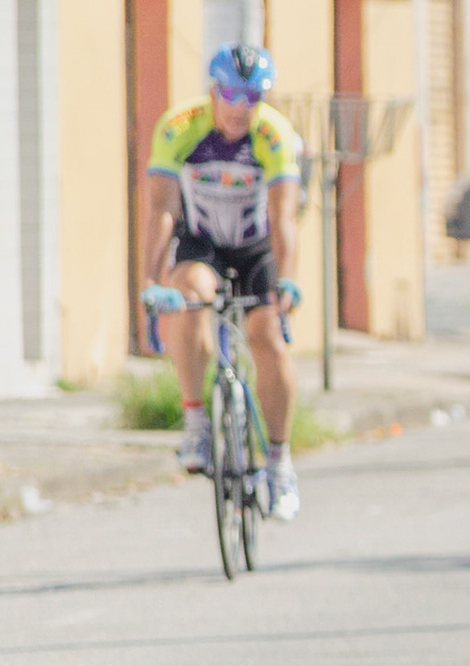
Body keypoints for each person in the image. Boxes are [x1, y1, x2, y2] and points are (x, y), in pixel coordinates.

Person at [141, 43, 305, 520]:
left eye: (254, 96)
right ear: (213, 91)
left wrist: (288, 280)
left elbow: (284, 217)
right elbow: (162, 211)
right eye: (231, 94)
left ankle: (279, 463)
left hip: (255, 247)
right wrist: (151, 279)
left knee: (267, 335)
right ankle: (195, 421)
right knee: (189, 296)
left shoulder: (274, 135)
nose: (241, 106)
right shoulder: (179, 127)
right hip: (202, 242)